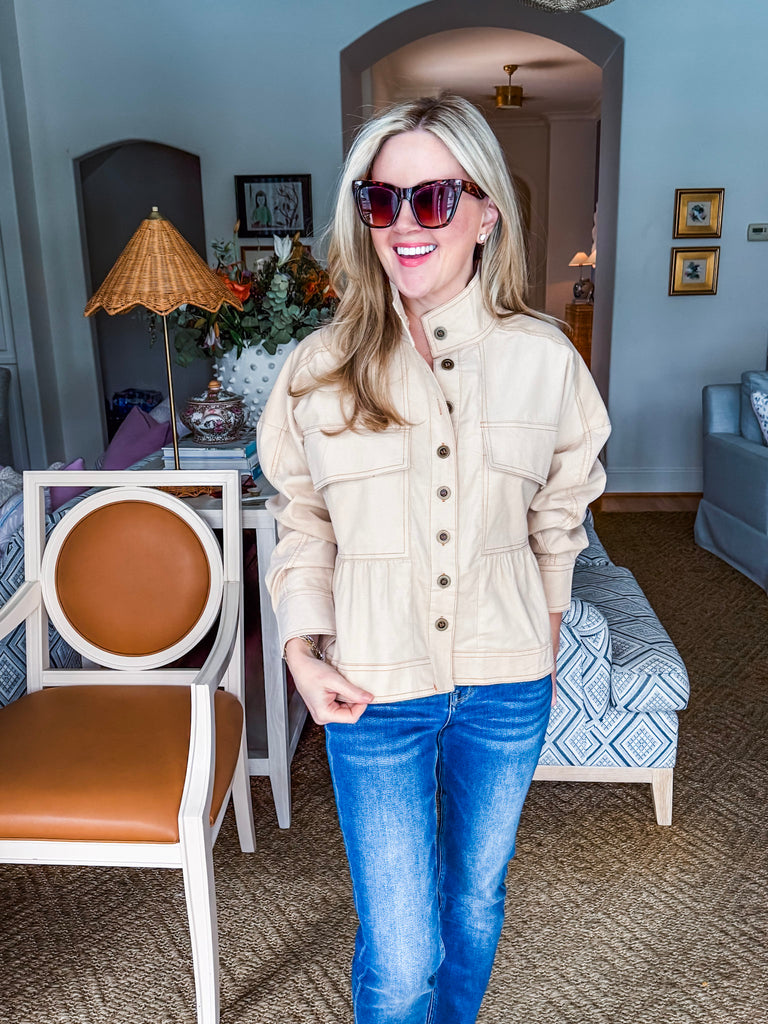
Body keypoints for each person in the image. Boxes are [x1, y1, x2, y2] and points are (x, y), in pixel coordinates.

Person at [257, 94, 611, 1024]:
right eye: (382, 200)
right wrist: (301, 650)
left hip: (507, 685)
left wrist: (544, 635)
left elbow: (560, 516)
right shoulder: (319, 369)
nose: (405, 224)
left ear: (486, 210)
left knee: (476, 899)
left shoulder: (546, 360)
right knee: (403, 944)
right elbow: (303, 521)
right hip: (371, 687)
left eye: (434, 198)